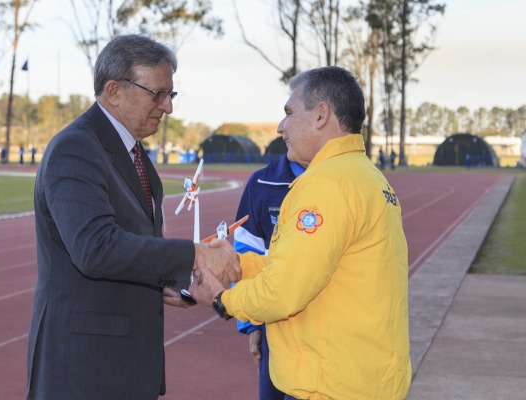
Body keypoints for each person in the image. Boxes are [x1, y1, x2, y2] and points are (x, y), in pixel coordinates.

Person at [26, 34, 240, 400]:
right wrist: (196, 255)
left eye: (172, 94)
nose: (168, 106)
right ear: (113, 91)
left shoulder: (132, 154)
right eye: (157, 93)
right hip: (85, 371)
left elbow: (128, 250)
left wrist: (171, 284)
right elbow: (95, 248)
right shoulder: (76, 148)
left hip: (120, 367)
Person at [191, 66, 411, 400]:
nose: (281, 127)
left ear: (321, 115)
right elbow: (299, 266)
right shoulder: (367, 176)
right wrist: (239, 264)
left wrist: (222, 300)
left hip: (331, 385)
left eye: (289, 113)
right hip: (364, 377)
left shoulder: (326, 184)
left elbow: (283, 291)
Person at [233, 153, 304, 400]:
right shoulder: (262, 183)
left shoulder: (341, 182)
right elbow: (245, 253)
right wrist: (251, 324)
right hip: (272, 324)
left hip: (327, 329)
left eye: (290, 114)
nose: (281, 128)